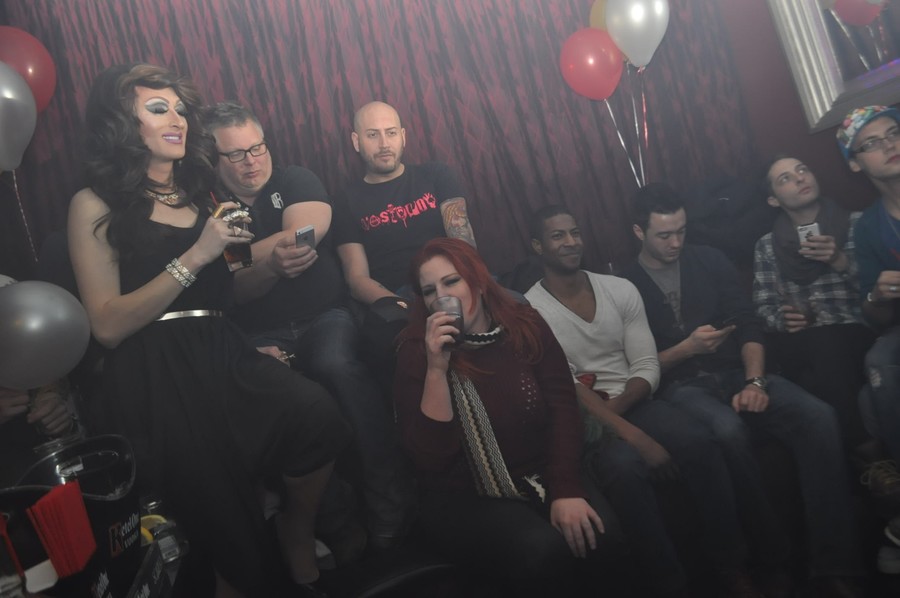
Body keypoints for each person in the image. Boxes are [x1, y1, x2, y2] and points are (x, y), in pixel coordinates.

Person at [67, 64, 349, 597]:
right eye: (158, 109)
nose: (176, 119)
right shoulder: (95, 203)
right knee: (221, 523)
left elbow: (230, 290)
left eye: (180, 109)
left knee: (317, 417)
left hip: (222, 348)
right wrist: (197, 255)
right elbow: (105, 324)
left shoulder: (202, 198)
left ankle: (294, 527)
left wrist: (266, 272)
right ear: (121, 123)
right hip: (155, 370)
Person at [622, 183, 866, 597]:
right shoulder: (624, 285)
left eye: (681, 231)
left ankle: (835, 563)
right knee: (727, 430)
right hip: (682, 388)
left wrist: (755, 380)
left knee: (819, 416)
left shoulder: (709, 259)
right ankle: (770, 559)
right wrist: (686, 350)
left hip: (737, 370)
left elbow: (748, 321)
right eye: (664, 235)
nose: (676, 242)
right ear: (638, 232)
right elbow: (633, 368)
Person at [526, 205, 776, 597]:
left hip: (635, 399)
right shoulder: (530, 311)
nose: (571, 242)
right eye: (557, 236)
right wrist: (635, 437)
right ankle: (669, 585)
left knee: (700, 442)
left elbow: (645, 363)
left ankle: (732, 565)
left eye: (574, 232)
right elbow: (566, 388)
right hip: (587, 420)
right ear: (538, 246)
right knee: (625, 468)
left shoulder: (618, 289)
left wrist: (621, 410)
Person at [201, 101, 413, 548]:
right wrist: (262, 266)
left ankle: (388, 504)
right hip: (257, 334)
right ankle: (333, 520)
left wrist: (228, 257)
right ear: (214, 158)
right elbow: (236, 291)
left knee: (338, 368)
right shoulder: (209, 205)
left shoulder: (294, 178)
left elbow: (304, 235)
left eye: (257, 147)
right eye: (236, 154)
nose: (252, 161)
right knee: (286, 403)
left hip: (325, 316)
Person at [393, 237, 626, 597]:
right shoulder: (416, 351)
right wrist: (437, 368)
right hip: (465, 495)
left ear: (478, 281)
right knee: (541, 551)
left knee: (599, 533)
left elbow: (563, 409)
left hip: (541, 468)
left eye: (451, 281)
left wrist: (565, 488)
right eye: (429, 291)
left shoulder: (525, 325)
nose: (441, 297)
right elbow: (430, 460)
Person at [332, 102, 476, 390]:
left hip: (453, 281)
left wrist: (456, 288)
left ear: (403, 136)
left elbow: (462, 240)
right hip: (396, 297)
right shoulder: (346, 200)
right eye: (373, 135)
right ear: (356, 142)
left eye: (391, 132)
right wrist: (410, 308)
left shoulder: (436, 175)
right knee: (388, 347)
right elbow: (357, 280)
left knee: (518, 309)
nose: (384, 143)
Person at [752, 155, 875, 452]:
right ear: (773, 199)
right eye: (785, 179)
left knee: (828, 344)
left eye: (802, 170)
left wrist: (840, 261)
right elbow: (762, 308)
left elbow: (880, 291)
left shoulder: (857, 224)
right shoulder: (767, 245)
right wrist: (782, 319)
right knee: (819, 346)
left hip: (855, 328)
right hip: (800, 339)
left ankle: (863, 452)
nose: (800, 178)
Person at [837, 105, 900, 551]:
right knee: (877, 362)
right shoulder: (870, 228)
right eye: (872, 143)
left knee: (867, 400)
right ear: (856, 163)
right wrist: (878, 295)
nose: (890, 145)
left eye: (893, 133)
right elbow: (875, 319)